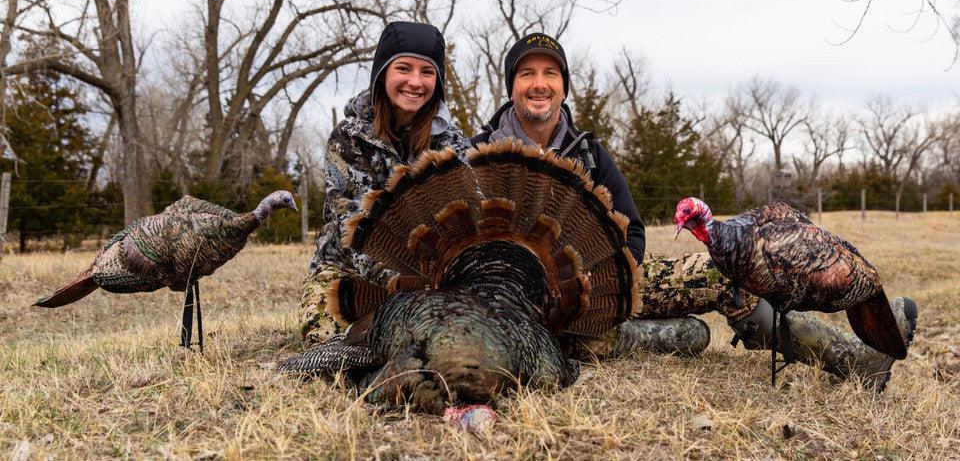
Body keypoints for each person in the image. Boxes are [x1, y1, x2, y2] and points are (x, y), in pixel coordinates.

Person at [471, 32, 918, 390]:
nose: (539, 83)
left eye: (550, 73)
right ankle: (655, 337)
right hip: (516, 303)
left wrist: (609, 285)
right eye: (526, 73)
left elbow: (634, 232)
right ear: (511, 85)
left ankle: (852, 362)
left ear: (564, 86)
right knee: (686, 335)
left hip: (601, 289)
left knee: (724, 271)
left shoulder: (588, 153)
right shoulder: (478, 154)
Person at [299, 21, 472, 341]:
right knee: (327, 339)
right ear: (383, 73)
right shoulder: (348, 139)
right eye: (403, 68)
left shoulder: (454, 143)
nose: (415, 82)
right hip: (351, 273)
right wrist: (405, 287)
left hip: (436, 277)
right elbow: (350, 226)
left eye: (427, 72)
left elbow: (469, 219)